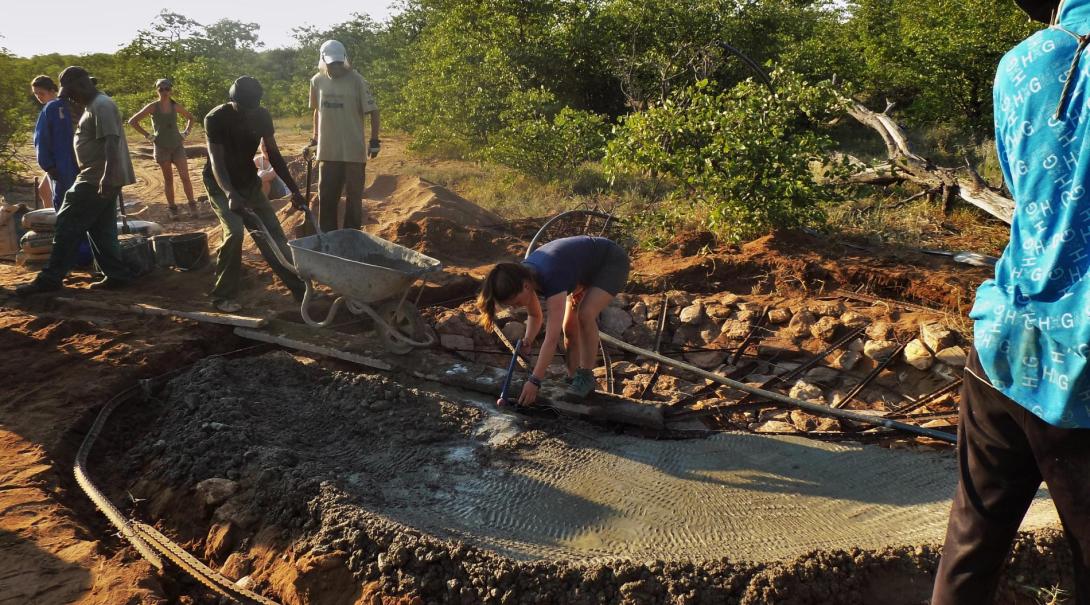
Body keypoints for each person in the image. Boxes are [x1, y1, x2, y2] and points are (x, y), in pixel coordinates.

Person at [930, 0, 1090, 602]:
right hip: (1082, 370)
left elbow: (1028, 190)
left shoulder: (1020, 62)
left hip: (1004, 334)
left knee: (968, 555)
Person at [15, 67, 136, 296]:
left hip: (95, 178)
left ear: (81, 85)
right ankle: (116, 274)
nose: (70, 98)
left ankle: (50, 278)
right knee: (100, 229)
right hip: (99, 177)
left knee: (67, 224)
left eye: (71, 92)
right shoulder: (92, 106)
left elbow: (111, 142)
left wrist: (107, 177)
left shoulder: (102, 105)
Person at [476, 236, 630, 403]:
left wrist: (535, 380)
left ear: (526, 286)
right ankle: (573, 379)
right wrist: (528, 338)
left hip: (611, 262)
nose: (515, 308)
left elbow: (551, 338)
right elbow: (535, 315)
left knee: (585, 314)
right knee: (569, 329)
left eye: (516, 302)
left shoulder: (550, 276)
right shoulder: (524, 275)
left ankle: (585, 376)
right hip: (582, 269)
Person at [203, 76, 308, 313]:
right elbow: (216, 162)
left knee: (274, 236)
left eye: (253, 107)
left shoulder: (261, 115)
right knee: (235, 233)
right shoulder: (216, 118)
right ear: (233, 100)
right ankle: (222, 296)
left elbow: (274, 154)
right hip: (221, 185)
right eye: (245, 108)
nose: (249, 113)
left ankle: (300, 290)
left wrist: (294, 190)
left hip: (249, 181)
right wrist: (230, 194)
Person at [308, 39, 380, 233]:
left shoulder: (357, 80)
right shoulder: (317, 81)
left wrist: (374, 140)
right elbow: (317, 111)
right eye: (332, 63)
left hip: (353, 150)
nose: (337, 66)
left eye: (339, 62)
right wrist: (315, 138)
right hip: (328, 150)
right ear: (323, 60)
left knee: (354, 197)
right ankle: (328, 235)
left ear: (345, 60)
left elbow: (373, 110)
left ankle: (352, 234)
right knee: (326, 196)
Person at [127, 78, 199, 220]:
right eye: (161, 89)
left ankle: (193, 206)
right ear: (157, 90)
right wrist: (148, 136)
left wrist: (185, 133)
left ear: (171, 90)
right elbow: (132, 121)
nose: (164, 92)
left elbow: (191, 118)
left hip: (177, 145)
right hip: (161, 147)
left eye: (167, 89)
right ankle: (173, 209)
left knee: (185, 177)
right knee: (168, 179)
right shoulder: (153, 106)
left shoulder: (175, 106)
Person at [30, 75, 78, 212]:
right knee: (44, 190)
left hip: (61, 162)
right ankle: (52, 221)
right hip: (66, 160)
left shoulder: (52, 108)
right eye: (36, 94)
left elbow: (41, 139)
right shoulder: (69, 105)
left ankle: (56, 223)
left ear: (52, 90)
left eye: (41, 93)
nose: (38, 96)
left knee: (62, 198)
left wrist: (48, 165)